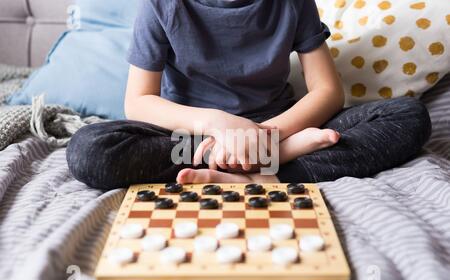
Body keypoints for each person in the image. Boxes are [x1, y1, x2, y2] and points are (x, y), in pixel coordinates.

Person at [67, 0, 431, 190]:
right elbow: (139, 102)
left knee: (409, 116)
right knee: (90, 151)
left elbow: (328, 91)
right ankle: (278, 162)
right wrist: (218, 124)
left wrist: (265, 137)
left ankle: (258, 167)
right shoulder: (162, 4)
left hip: (278, 125)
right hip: (191, 138)